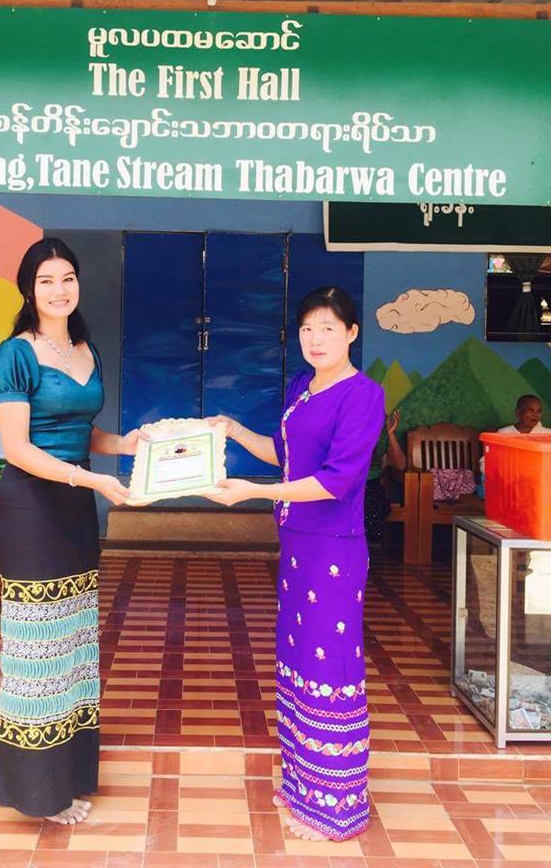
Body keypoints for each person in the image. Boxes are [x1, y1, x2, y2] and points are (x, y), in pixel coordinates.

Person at [206, 286, 384, 842]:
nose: (316, 338)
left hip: (335, 547)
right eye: (308, 328)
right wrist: (234, 430)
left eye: (328, 328)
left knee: (332, 664)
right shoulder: (301, 388)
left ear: (351, 333)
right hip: (297, 544)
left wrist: (254, 493)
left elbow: (336, 480)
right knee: (301, 657)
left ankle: (337, 807)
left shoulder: (363, 395)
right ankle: (305, 788)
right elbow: (284, 455)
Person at [0, 238, 143, 825]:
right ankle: (37, 793)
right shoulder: (15, 355)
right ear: (29, 289)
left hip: (76, 506)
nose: (59, 289)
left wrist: (124, 445)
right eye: (46, 280)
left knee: (73, 641)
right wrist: (91, 479)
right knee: (37, 645)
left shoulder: (85, 348)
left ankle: (69, 775)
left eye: (68, 277)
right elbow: (18, 448)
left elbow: (81, 430)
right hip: (32, 509)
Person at [364, 408, 406, 545]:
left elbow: (400, 465)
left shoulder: (381, 440)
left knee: (371, 500)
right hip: (347, 487)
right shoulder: (347, 435)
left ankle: (365, 547)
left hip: (371, 487)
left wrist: (390, 434)